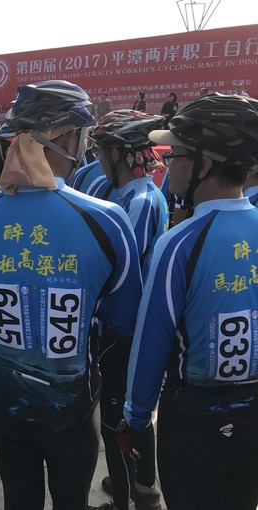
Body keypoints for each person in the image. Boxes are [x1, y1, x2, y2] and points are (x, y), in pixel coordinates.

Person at [0, 80, 143, 510]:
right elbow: (124, 320)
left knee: (19, 499)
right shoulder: (107, 220)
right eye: (84, 136)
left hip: (4, 404)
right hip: (74, 407)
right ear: (68, 138)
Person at [121, 93, 258, 510]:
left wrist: (136, 419)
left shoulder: (179, 243)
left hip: (194, 420)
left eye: (175, 154)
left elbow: (152, 344)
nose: (167, 164)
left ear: (204, 164)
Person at [90, 109, 169, 510]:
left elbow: (120, 269)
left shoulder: (140, 200)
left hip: (123, 328)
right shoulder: (123, 193)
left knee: (114, 420)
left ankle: (126, 499)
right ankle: (142, 486)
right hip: (123, 325)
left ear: (119, 152)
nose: (99, 159)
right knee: (130, 411)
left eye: (102, 151)